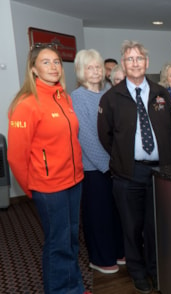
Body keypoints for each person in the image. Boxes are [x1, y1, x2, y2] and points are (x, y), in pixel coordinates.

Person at [7, 44, 87, 293]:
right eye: (46, 62)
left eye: (56, 62)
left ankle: (74, 286)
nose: (53, 67)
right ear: (33, 69)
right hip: (49, 188)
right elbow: (16, 158)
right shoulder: (27, 104)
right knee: (58, 245)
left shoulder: (64, 96)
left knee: (71, 241)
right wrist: (33, 189)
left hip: (74, 182)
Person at [97, 40, 171, 293]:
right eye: (129, 59)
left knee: (155, 226)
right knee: (131, 227)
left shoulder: (161, 93)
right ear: (123, 64)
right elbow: (105, 135)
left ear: (147, 63)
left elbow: (169, 128)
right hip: (128, 174)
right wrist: (122, 158)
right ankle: (138, 272)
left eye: (139, 58)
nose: (134, 63)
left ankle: (155, 269)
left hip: (159, 172)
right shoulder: (111, 98)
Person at [71, 49, 125, 275]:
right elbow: (87, 138)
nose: (95, 71)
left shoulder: (107, 94)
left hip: (113, 165)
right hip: (95, 168)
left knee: (115, 213)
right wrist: (109, 166)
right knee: (98, 215)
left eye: (98, 67)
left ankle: (116, 250)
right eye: (89, 68)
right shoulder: (76, 97)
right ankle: (99, 258)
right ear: (81, 72)